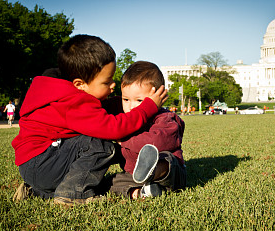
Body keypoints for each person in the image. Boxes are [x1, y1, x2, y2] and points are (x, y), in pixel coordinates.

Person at [11, 35, 167, 206]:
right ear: (80, 84)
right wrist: (148, 106)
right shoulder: (73, 102)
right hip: (44, 164)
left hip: (38, 165)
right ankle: (73, 194)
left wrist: (129, 100)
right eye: (107, 81)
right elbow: (114, 128)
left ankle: (37, 191)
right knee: (100, 145)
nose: (113, 85)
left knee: (102, 153)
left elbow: (101, 109)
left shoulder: (60, 92)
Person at [107, 61, 186, 199]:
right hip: (134, 176)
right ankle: (143, 192)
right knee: (113, 182)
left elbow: (157, 141)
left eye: (139, 100)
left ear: (159, 95)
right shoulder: (127, 119)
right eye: (126, 99)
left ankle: (152, 172)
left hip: (169, 174)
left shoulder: (166, 118)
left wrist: (124, 140)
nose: (131, 106)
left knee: (167, 160)